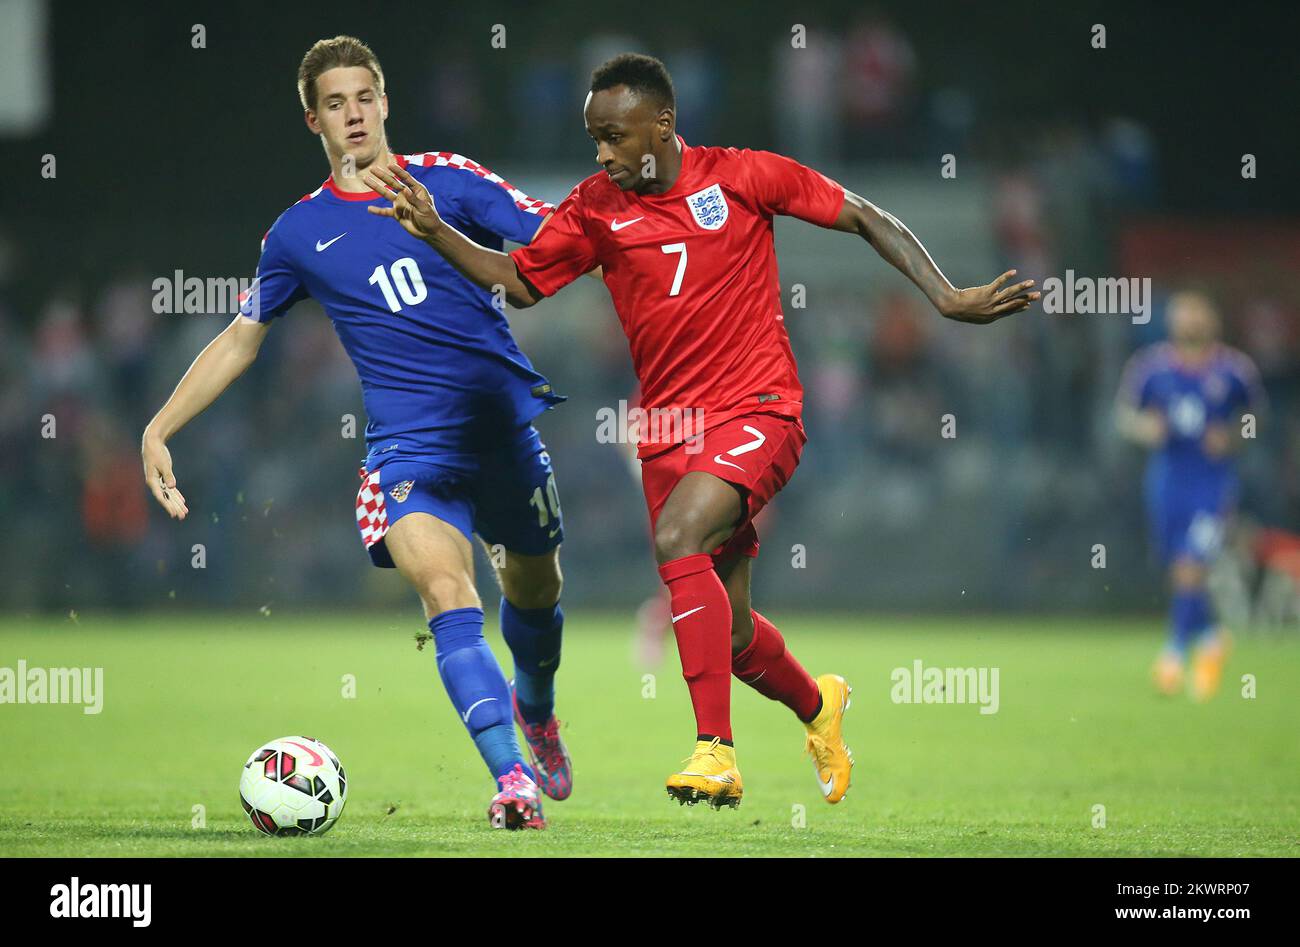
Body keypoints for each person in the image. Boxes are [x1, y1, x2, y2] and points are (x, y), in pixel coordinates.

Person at [361, 53, 1038, 809]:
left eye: (615, 136)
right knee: (736, 631)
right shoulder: (593, 208)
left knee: (680, 537)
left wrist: (944, 296)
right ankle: (820, 706)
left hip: (760, 409)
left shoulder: (744, 176)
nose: (603, 154)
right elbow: (520, 283)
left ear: (663, 124)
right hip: (670, 431)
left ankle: (715, 751)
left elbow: (861, 214)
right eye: (594, 139)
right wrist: (435, 231)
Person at [141, 36, 574, 830]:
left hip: (502, 428)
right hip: (408, 450)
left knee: (537, 593)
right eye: (335, 104)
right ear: (314, 120)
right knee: (450, 594)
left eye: (364, 98)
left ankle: (536, 708)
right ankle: (511, 777)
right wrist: (159, 426)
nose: (353, 114)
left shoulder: (448, 178)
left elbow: (554, 237)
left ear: (385, 103)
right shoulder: (298, 235)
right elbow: (243, 336)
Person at [1117, 291, 1265, 700]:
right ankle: (1213, 638)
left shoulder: (1234, 370)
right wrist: (1145, 429)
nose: (1191, 321)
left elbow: (1257, 418)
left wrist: (1234, 437)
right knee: (1177, 568)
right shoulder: (1150, 368)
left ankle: (1173, 656)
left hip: (1212, 484)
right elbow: (1125, 415)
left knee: (1191, 566)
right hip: (1166, 480)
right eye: (1184, 315)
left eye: (1198, 314)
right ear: (1173, 322)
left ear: (1212, 320)